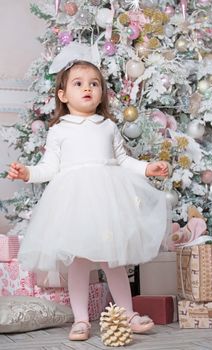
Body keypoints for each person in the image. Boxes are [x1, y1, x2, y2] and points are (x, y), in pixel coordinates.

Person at [7, 58, 170, 341]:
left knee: (114, 260)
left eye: (94, 84)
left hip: (108, 201)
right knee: (79, 261)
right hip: (75, 203)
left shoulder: (107, 126)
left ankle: (126, 313)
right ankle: (81, 320)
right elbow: (49, 167)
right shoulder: (59, 130)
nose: (88, 89)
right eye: (79, 84)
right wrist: (27, 173)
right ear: (63, 95)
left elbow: (122, 159)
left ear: (101, 93)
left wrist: (146, 168)